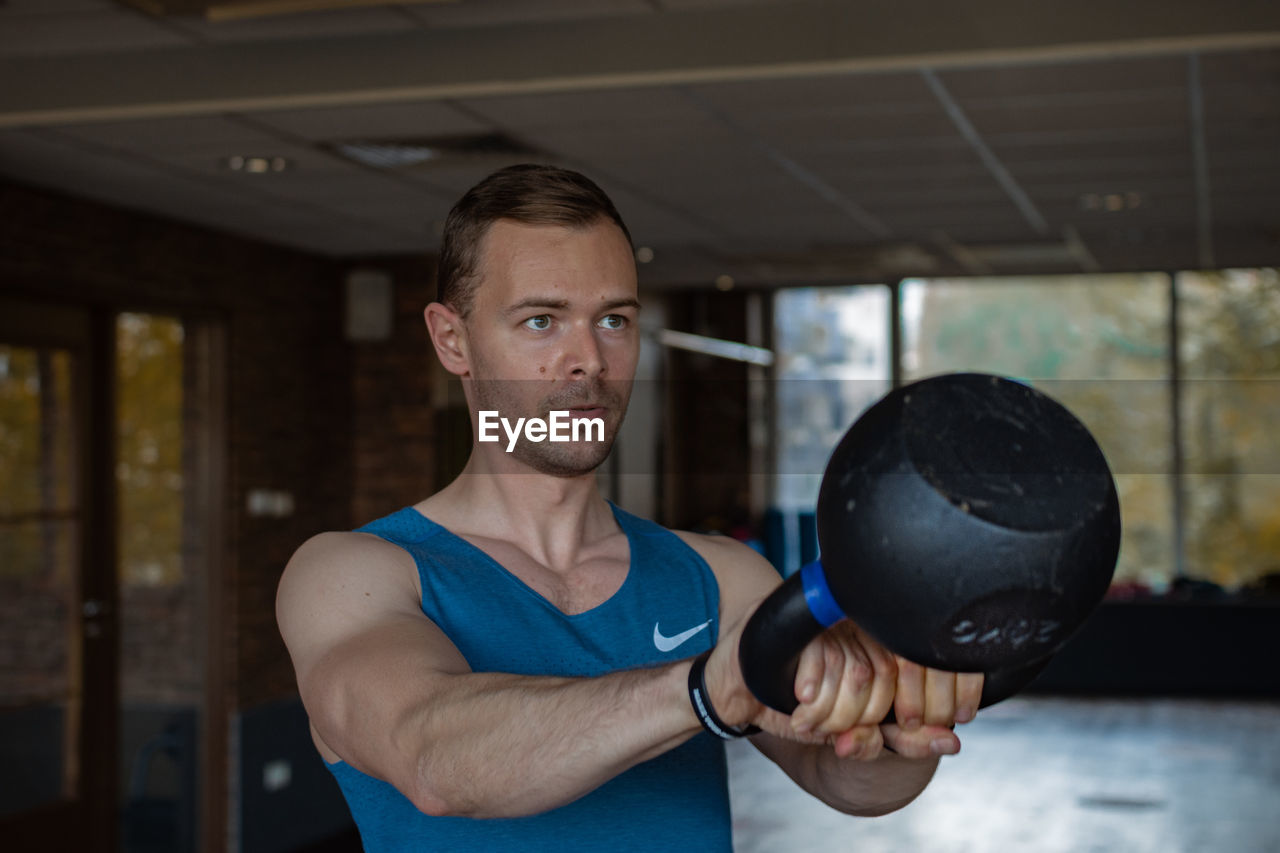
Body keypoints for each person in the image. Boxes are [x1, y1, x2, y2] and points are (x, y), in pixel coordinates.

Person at [276, 164, 982, 852]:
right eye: (542, 321)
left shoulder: (720, 575)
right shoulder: (352, 574)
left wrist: (898, 727)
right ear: (452, 339)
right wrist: (704, 689)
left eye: (612, 319)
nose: (587, 358)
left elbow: (843, 780)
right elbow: (432, 755)